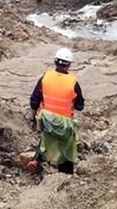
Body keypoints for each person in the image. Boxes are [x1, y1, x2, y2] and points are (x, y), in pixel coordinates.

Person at [26, 47, 85, 175]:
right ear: (69, 64)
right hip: (64, 123)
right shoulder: (73, 82)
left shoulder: (45, 78)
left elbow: (34, 101)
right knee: (66, 148)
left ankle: (37, 160)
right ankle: (65, 174)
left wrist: (32, 117)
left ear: (55, 62)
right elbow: (80, 106)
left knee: (45, 138)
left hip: (46, 119)